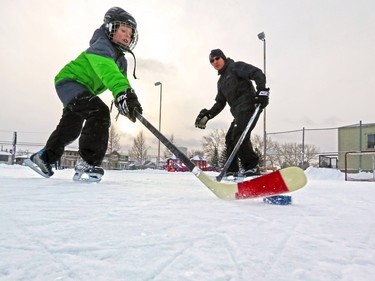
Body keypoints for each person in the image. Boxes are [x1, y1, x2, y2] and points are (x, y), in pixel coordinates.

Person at [29, 7, 143, 182]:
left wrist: (127, 100)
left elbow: (120, 82)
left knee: (71, 128)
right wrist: (122, 93)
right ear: (110, 28)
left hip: (82, 89)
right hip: (70, 82)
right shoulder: (102, 46)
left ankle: (44, 158)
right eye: (123, 30)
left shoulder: (121, 61)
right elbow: (109, 74)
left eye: (130, 33)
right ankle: (88, 162)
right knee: (99, 112)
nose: (127, 36)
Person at [195, 49, 269, 177]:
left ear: (223, 58)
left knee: (239, 134)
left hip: (250, 105)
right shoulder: (221, 82)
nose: (215, 62)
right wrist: (208, 115)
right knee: (230, 138)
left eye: (217, 58)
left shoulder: (235, 67)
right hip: (238, 112)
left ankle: (251, 167)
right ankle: (231, 170)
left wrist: (262, 91)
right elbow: (220, 103)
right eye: (212, 61)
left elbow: (256, 73)